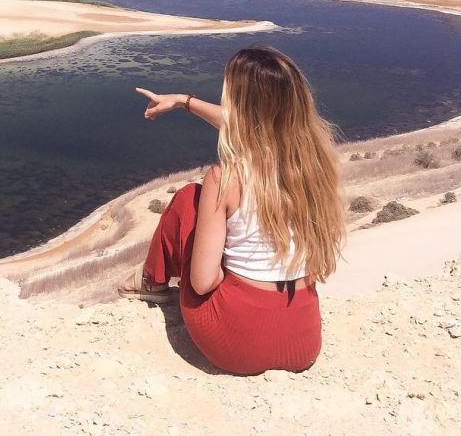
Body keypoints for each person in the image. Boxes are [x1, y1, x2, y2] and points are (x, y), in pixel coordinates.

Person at [118, 45, 347, 375]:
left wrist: (224, 265)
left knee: (187, 200)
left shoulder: (226, 179)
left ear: (238, 105)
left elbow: (202, 283)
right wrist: (184, 101)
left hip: (238, 345)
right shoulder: (316, 167)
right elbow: (257, 126)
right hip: (303, 343)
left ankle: (151, 284)